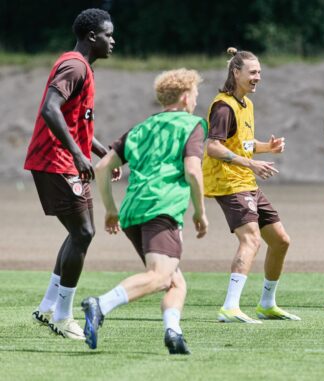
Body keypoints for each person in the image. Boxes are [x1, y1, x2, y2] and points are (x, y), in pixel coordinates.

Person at [80, 68, 208, 354]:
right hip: (162, 209)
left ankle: (173, 333)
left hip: (133, 212)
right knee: (160, 276)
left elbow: (102, 168)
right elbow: (193, 171)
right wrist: (200, 212)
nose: (196, 101)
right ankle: (100, 305)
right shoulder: (193, 125)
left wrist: (111, 210)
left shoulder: (140, 128)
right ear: (186, 97)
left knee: (175, 281)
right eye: (196, 95)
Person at [24, 8, 119, 340]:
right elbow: (50, 108)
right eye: (108, 34)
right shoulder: (74, 66)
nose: (113, 40)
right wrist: (78, 155)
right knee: (83, 233)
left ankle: (48, 306)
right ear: (92, 36)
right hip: (55, 161)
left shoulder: (84, 69)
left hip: (68, 160)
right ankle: (62, 316)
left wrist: (102, 152)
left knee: (82, 232)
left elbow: (75, 122)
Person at [203, 47, 299, 323]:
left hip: (246, 181)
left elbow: (242, 144)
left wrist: (266, 147)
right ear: (236, 72)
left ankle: (267, 304)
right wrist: (251, 164)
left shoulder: (246, 104)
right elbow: (213, 147)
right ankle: (229, 307)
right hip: (229, 182)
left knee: (281, 241)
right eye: (253, 72)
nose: (258, 77)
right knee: (251, 239)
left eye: (260, 72)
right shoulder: (223, 106)